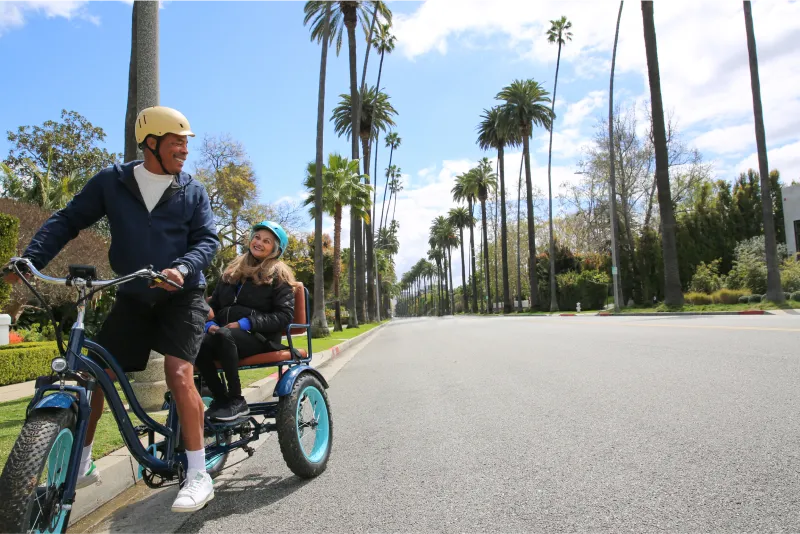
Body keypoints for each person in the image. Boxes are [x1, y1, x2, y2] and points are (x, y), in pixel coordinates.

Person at [4, 106, 220, 513]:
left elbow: (208, 240)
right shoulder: (112, 182)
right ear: (151, 142)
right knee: (90, 373)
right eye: (177, 141)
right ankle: (82, 460)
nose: (185, 150)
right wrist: (29, 260)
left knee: (178, 373)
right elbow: (68, 220)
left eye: (186, 142)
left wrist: (183, 267)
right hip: (134, 296)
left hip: (182, 297)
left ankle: (197, 473)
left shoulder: (193, 190)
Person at [196, 220, 296, 421]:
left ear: (275, 249)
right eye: (257, 237)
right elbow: (213, 305)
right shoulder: (233, 271)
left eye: (267, 241)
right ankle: (220, 399)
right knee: (196, 342)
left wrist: (246, 323)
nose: (259, 242)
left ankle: (236, 400)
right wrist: (208, 325)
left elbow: (284, 315)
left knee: (225, 335)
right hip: (223, 334)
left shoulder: (279, 274)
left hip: (259, 338)